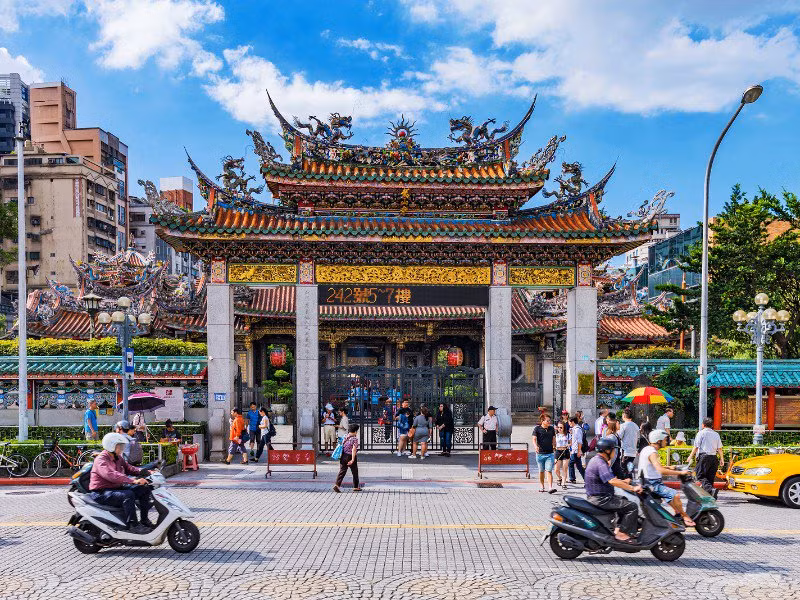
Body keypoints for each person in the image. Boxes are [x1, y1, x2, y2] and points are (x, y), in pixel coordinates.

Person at [88, 432, 153, 533]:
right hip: (101, 492)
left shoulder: (117, 457)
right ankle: (133, 525)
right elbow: (112, 475)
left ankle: (144, 520)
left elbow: (128, 467)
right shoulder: (101, 460)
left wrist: (143, 471)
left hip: (114, 488)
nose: (122, 448)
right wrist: (134, 481)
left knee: (144, 488)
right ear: (111, 446)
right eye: (120, 446)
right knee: (128, 495)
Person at [584, 436, 642, 543]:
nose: (615, 452)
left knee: (623, 499)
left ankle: (617, 529)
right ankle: (621, 534)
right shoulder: (600, 463)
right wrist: (633, 488)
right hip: (601, 499)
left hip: (600, 496)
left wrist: (625, 482)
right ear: (607, 450)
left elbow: (609, 478)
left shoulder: (597, 460)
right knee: (632, 507)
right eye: (613, 450)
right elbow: (612, 481)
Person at [638, 429, 695, 526]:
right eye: (664, 439)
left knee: (669, 496)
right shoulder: (652, 452)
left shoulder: (647, 449)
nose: (666, 441)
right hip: (652, 484)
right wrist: (680, 473)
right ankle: (685, 516)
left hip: (649, 482)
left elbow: (652, 466)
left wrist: (669, 467)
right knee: (675, 495)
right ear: (658, 440)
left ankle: (677, 515)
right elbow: (660, 470)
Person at [688, 417, 724, 494]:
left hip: (704, 457)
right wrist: (722, 459)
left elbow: (696, 447)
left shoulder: (701, 433)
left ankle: (711, 490)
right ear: (712, 425)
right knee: (710, 478)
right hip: (714, 458)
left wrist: (690, 456)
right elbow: (720, 448)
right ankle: (710, 496)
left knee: (700, 475)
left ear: (703, 425)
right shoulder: (716, 434)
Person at [532, 414, 557, 493]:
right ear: (542, 421)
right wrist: (535, 446)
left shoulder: (551, 429)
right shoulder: (537, 429)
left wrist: (554, 447)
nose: (549, 422)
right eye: (547, 420)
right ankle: (542, 486)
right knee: (541, 471)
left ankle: (550, 487)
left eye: (550, 420)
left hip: (550, 453)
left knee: (549, 470)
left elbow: (554, 439)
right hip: (540, 454)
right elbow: (534, 439)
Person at [333, 423, 361, 492]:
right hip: (350, 456)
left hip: (343, 455)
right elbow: (354, 449)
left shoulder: (345, 436)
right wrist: (353, 459)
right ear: (355, 431)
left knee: (342, 471)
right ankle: (356, 486)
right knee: (355, 472)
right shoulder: (354, 439)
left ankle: (337, 485)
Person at [618, 409, 640, 478]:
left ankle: (627, 485)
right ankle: (630, 484)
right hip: (633, 452)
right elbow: (638, 438)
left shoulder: (623, 426)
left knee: (623, 469)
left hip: (626, 451)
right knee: (629, 469)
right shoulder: (636, 426)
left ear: (624, 416)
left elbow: (619, 436)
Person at [568, 416, 586, 484]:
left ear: (572, 422)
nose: (569, 423)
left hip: (576, 450)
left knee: (572, 464)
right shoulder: (575, 429)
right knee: (579, 466)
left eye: (569, 422)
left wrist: (579, 451)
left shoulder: (577, 429)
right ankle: (586, 479)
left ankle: (572, 478)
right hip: (575, 449)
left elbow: (579, 441)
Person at [554, 421, 570, 489]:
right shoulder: (555, 435)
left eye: (561, 427)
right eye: (558, 427)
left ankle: (563, 483)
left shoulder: (568, 435)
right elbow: (553, 444)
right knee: (556, 469)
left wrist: (568, 445)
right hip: (558, 451)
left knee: (565, 468)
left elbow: (570, 443)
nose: (559, 429)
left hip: (565, 451)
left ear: (564, 428)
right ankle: (560, 478)